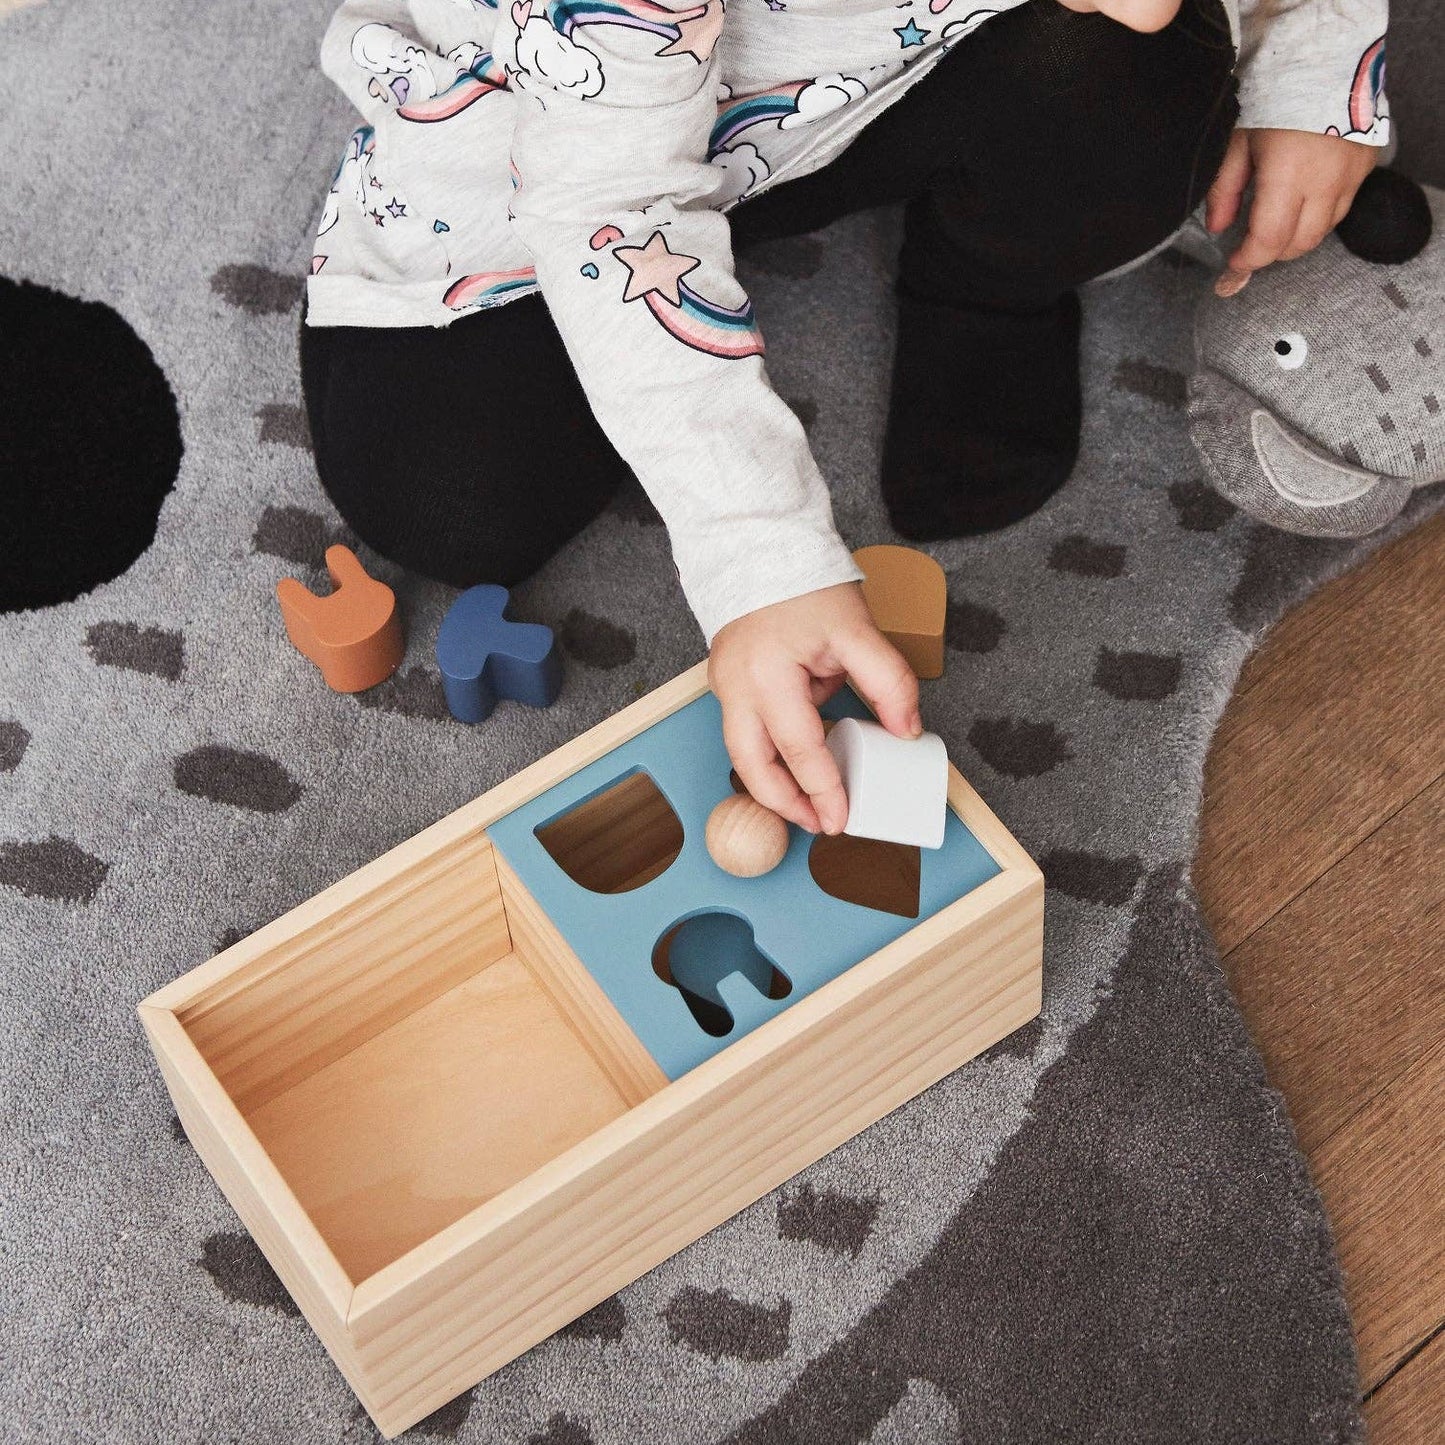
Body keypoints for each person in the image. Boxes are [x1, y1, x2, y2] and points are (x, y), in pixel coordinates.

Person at [301, 0, 1386, 832]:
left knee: (1147, 77)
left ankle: (985, 285)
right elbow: (609, 209)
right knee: (444, 497)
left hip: (884, 74)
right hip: (556, 141)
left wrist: (1314, 61)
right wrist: (759, 563)